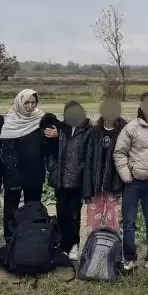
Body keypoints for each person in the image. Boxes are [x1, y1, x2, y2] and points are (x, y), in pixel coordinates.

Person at [114, 91, 148, 274]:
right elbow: (119, 152)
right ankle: (129, 258)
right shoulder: (131, 128)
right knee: (129, 222)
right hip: (133, 183)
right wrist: (127, 176)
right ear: (142, 105)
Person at [0, 89, 53, 241]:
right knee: (11, 208)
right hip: (13, 172)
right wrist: (11, 171)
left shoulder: (40, 120)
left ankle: (31, 239)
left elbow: (46, 147)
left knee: (33, 207)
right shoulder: (10, 121)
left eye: (33, 102)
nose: (30, 106)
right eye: (26, 102)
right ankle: (10, 240)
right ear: (19, 103)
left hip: (35, 171)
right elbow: (6, 149)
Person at [45, 101, 93, 261]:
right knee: (62, 213)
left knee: (74, 215)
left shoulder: (88, 130)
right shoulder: (60, 129)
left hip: (78, 180)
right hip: (61, 179)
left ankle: (74, 245)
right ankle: (62, 245)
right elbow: (51, 151)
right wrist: (53, 168)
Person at [82, 99, 127, 236]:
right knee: (93, 220)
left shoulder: (124, 131)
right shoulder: (93, 132)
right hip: (95, 185)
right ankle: (93, 247)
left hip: (114, 183)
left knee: (113, 219)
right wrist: (87, 186)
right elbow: (87, 160)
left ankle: (113, 248)